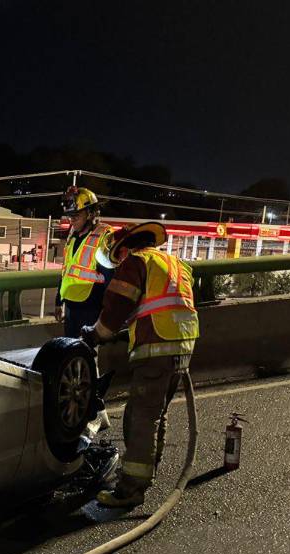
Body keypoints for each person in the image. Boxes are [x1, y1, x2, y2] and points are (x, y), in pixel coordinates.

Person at [83, 221, 199, 508]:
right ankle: (147, 472)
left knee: (141, 419)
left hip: (156, 346)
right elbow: (158, 304)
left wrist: (95, 335)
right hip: (182, 344)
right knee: (154, 413)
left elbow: (117, 306)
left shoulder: (135, 261)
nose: (118, 263)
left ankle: (131, 489)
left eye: (116, 258)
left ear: (123, 248)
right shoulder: (173, 262)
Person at [54, 186, 113, 338]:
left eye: (76, 215)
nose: (71, 220)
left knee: (87, 351)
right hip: (71, 306)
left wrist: (108, 313)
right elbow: (66, 271)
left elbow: (110, 278)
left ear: (91, 213)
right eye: (70, 216)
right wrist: (58, 302)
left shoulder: (104, 237)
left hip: (91, 308)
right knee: (71, 350)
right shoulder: (73, 237)